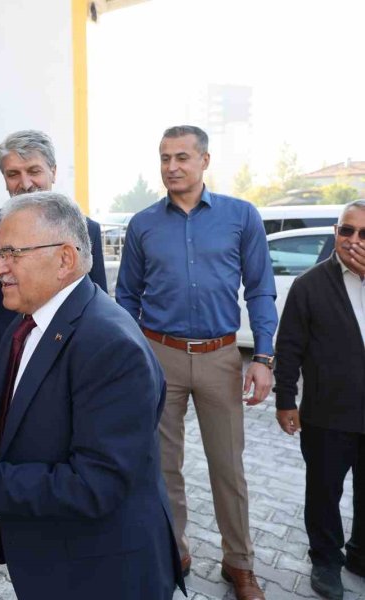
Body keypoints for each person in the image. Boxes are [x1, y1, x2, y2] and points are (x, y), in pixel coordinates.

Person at [0, 191, 184, 600]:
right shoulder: (30, 321)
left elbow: (95, 484)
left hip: (101, 573)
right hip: (54, 560)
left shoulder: (110, 345)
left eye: (11, 253)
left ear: (65, 259)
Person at [116, 125, 277, 600]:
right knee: (163, 465)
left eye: (182, 157)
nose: (172, 167)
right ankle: (173, 548)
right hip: (158, 355)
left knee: (227, 466)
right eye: (165, 157)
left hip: (220, 356)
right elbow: (126, 296)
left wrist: (263, 357)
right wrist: (133, 354)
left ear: (205, 160)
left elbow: (261, 289)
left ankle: (239, 563)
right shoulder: (143, 224)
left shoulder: (240, 216)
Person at [0, 129, 108, 599]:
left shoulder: (86, 231)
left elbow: (94, 306)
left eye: (33, 171)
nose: (24, 183)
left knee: (32, 482)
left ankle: (35, 568)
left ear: (53, 174)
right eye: (13, 174)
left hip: (51, 389)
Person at [273, 200, 365, 600]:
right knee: (324, 491)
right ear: (335, 231)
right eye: (347, 231)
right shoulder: (309, 284)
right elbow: (289, 347)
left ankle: (360, 555)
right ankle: (325, 559)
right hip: (328, 413)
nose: (354, 240)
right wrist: (285, 399)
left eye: (364, 234)